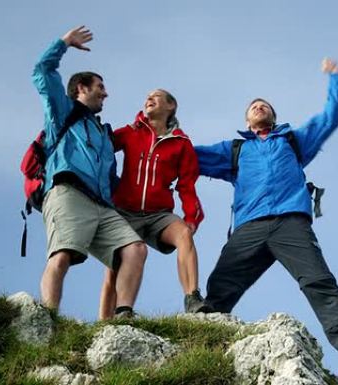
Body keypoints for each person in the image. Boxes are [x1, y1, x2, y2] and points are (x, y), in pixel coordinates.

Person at [194, 58, 338, 366]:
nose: (259, 107)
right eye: (254, 106)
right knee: (219, 289)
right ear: (246, 122)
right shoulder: (235, 150)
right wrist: (163, 133)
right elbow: (187, 156)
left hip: (291, 224)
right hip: (249, 227)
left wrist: (336, 79)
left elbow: (329, 118)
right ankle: (199, 348)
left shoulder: (293, 140)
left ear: (273, 116)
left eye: (264, 105)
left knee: (318, 281)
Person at [32, 25, 147, 318]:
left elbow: (111, 179)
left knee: (135, 249)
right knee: (62, 255)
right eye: (100, 87)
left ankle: (123, 315)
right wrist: (64, 43)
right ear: (82, 88)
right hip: (68, 193)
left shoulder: (103, 135)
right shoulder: (62, 112)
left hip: (102, 205)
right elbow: (42, 72)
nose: (105, 94)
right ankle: (49, 319)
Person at [98, 89, 209, 320]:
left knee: (184, 235)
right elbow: (99, 148)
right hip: (124, 213)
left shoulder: (181, 143)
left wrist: (191, 218)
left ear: (171, 106)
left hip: (159, 215)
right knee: (113, 268)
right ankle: (106, 322)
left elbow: (187, 185)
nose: (149, 98)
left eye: (156, 96)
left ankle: (192, 298)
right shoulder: (130, 132)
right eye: (147, 96)